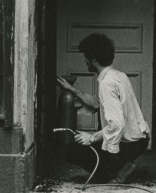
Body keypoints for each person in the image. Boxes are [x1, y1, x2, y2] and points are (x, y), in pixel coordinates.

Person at [56, 33, 150, 184]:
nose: (85, 61)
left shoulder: (107, 84)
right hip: (139, 141)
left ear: (93, 59)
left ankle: (115, 172)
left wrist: (91, 138)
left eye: (86, 57)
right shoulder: (118, 76)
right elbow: (95, 104)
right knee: (93, 143)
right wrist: (71, 89)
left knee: (71, 151)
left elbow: (117, 124)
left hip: (127, 145)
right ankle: (119, 165)